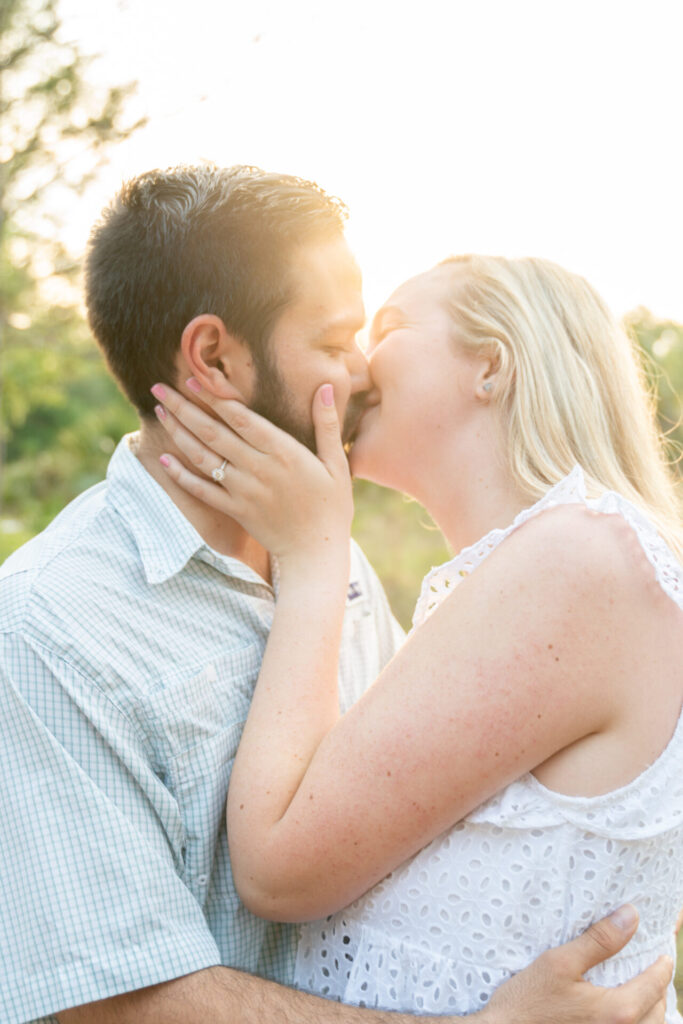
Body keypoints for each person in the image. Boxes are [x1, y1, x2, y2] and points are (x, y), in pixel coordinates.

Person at [0, 164, 671, 1024]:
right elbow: (115, 1004)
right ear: (213, 356)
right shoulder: (49, 628)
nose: (361, 369)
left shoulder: (339, 564)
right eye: (334, 340)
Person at [152, 253, 683, 1019]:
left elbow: (278, 870)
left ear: (491, 365)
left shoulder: (576, 560)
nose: (358, 363)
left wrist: (311, 556)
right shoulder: (557, 566)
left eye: (390, 327)